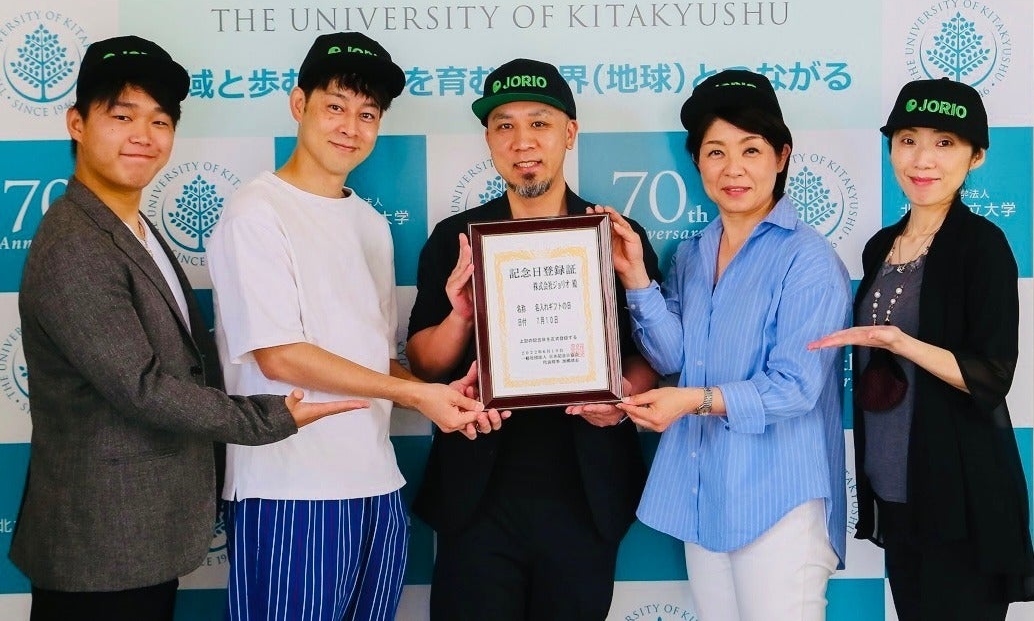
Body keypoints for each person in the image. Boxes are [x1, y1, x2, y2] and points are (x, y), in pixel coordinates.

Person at [10, 36, 363, 621]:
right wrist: (271, 416)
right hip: (101, 542)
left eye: (160, 121)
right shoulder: (75, 243)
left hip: (139, 533)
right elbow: (141, 387)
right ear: (77, 123)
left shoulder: (128, 226)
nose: (143, 135)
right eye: (122, 116)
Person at [206, 32, 484, 621]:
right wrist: (418, 395)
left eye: (367, 114)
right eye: (335, 106)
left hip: (377, 485)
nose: (350, 127)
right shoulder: (255, 211)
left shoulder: (370, 224)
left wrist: (441, 395)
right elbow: (278, 355)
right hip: (288, 490)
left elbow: (373, 356)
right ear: (298, 104)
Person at [406, 58, 661, 620]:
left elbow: (652, 357)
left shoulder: (616, 235)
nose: (522, 141)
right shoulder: (456, 237)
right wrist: (461, 318)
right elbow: (424, 365)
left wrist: (622, 397)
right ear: (489, 139)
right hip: (477, 493)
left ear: (570, 133)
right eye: (505, 125)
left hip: (587, 491)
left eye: (540, 123)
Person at [601, 69, 850, 621]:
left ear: (781, 157)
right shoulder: (692, 254)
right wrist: (636, 277)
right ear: (697, 162)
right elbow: (671, 358)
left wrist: (691, 401)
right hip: (705, 490)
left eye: (751, 149)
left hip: (780, 498)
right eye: (715, 151)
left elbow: (795, 389)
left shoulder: (807, 259)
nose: (733, 168)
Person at [809, 78, 1034, 619]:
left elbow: (992, 375)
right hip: (894, 488)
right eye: (908, 140)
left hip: (960, 495)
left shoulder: (982, 246)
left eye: (945, 143)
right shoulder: (880, 246)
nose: (922, 159)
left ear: (976, 157)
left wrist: (900, 343)